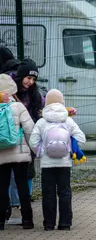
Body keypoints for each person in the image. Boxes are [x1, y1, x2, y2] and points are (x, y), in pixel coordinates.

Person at [29, 89, 85, 231]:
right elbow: (81, 138)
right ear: (62, 102)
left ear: (46, 103)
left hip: (47, 164)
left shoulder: (42, 122)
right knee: (65, 192)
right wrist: (70, 150)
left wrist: (42, 152)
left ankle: (49, 224)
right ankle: (65, 224)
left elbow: (33, 141)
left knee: (48, 193)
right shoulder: (68, 121)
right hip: (64, 163)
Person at [0, 74, 35, 230]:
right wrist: (35, 150)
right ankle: (27, 220)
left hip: (1, 153)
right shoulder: (19, 107)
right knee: (22, 185)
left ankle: (0, 221)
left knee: (2, 186)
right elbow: (29, 130)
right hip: (20, 153)